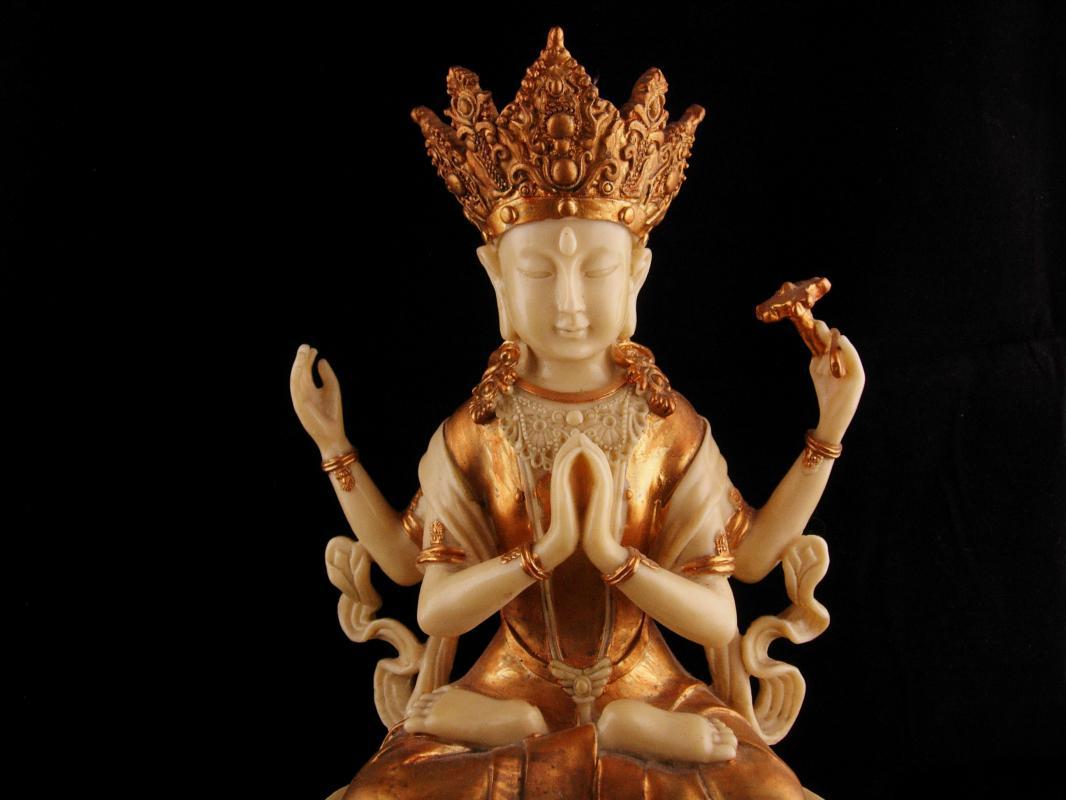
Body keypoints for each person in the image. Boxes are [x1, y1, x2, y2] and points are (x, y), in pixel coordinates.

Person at [290, 28, 863, 800]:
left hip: (652, 690)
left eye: (595, 270)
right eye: (537, 270)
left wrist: (828, 430)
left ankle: (598, 731)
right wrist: (335, 444)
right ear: (497, 278)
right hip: (505, 686)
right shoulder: (478, 430)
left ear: (636, 277)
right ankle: (558, 731)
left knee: (773, 795)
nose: (567, 304)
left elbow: (741, 579)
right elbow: (414, 579)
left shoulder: (666, 424)